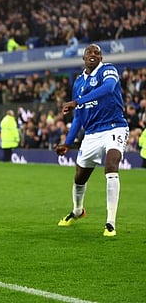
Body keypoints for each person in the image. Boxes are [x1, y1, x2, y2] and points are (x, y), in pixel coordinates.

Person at [55, 43, 129, 237]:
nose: (93, 54)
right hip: (92, 134)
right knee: (80, 177)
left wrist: (78, 101)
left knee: (111, 166)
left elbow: (108, 89)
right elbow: (78, 117)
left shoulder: (108, 70)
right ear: (84, 58)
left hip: (115, 126)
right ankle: (78, 210)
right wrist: (68, 142)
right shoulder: (78, 83)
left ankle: (110, 223)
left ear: (101, 58)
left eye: (97, 52)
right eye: (90, 52)